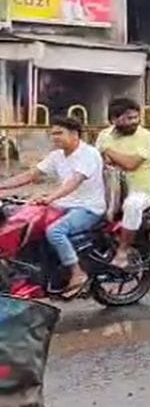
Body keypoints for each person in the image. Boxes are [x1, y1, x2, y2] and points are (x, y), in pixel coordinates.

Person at [0, 116, 105, 297]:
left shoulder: (88, 154)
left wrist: (49, 198)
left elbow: (73, 182)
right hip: (63, 204)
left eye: (59, 133)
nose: (55, 137)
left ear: (74, 134)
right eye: (53, 134)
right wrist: (2, 186)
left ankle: (77, 273)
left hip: (88, 207)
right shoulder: (56, 156)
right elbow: (31, 174)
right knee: (27, 223)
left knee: (55, 231)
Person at [96, 98, 150, 267]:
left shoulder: (146, 137)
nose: (134, 122)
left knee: (132, 206)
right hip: (109, 190)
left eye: (136, 118)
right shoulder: (104, 135)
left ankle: (123, 251)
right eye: (129, 118)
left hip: (139, 191)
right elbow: (100, 161)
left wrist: (109, 151)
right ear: (114, 120)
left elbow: (131, 164)